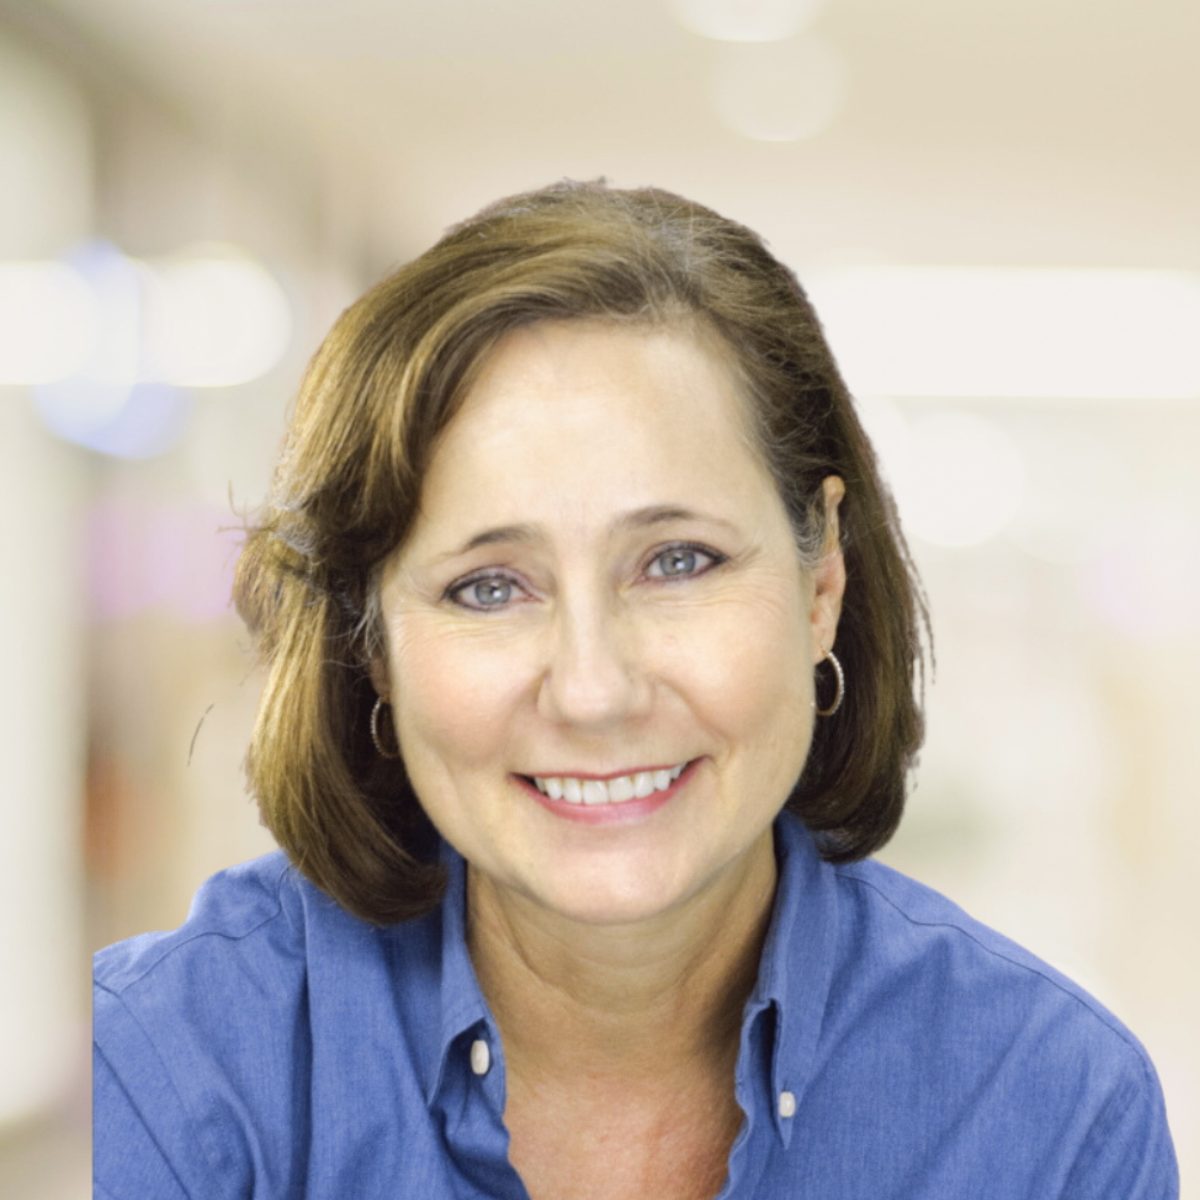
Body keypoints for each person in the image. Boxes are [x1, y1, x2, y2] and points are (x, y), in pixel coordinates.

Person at [93, 180, 1178, 1199]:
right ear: (372, 647)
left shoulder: (1051, 1108)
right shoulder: (170, 1065)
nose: (594, 689)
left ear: (822, 584)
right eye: (487, 586)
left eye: (679, 561)